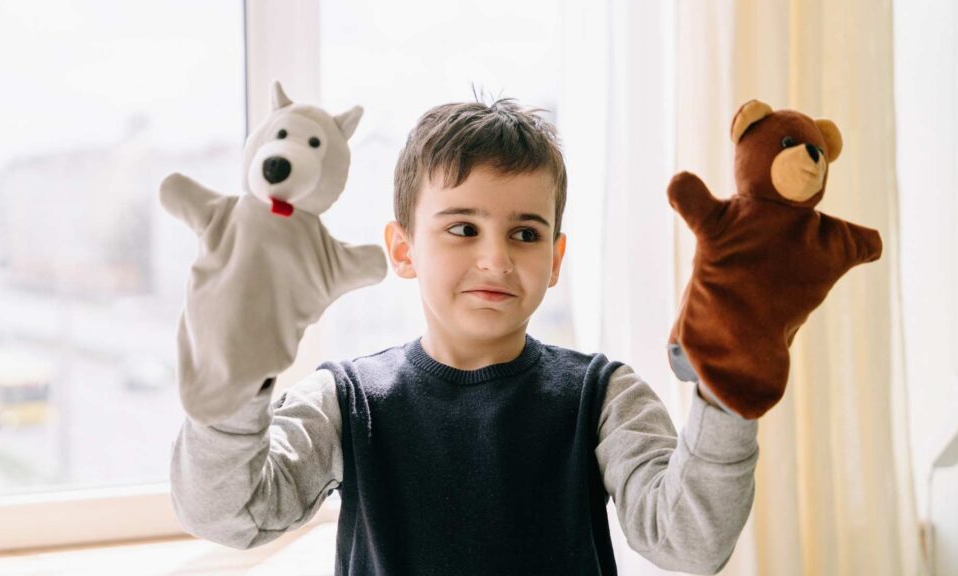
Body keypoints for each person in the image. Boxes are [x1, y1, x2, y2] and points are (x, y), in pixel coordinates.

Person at [169, 99, 759, 575]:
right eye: (463, 228)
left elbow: (689, 544)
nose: (496, 259)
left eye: (525, 234)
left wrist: (729, 390)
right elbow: (227, 514)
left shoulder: (605, 395)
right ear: (404, 250)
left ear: (556, 260)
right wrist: (234, 380)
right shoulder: (346, 400)